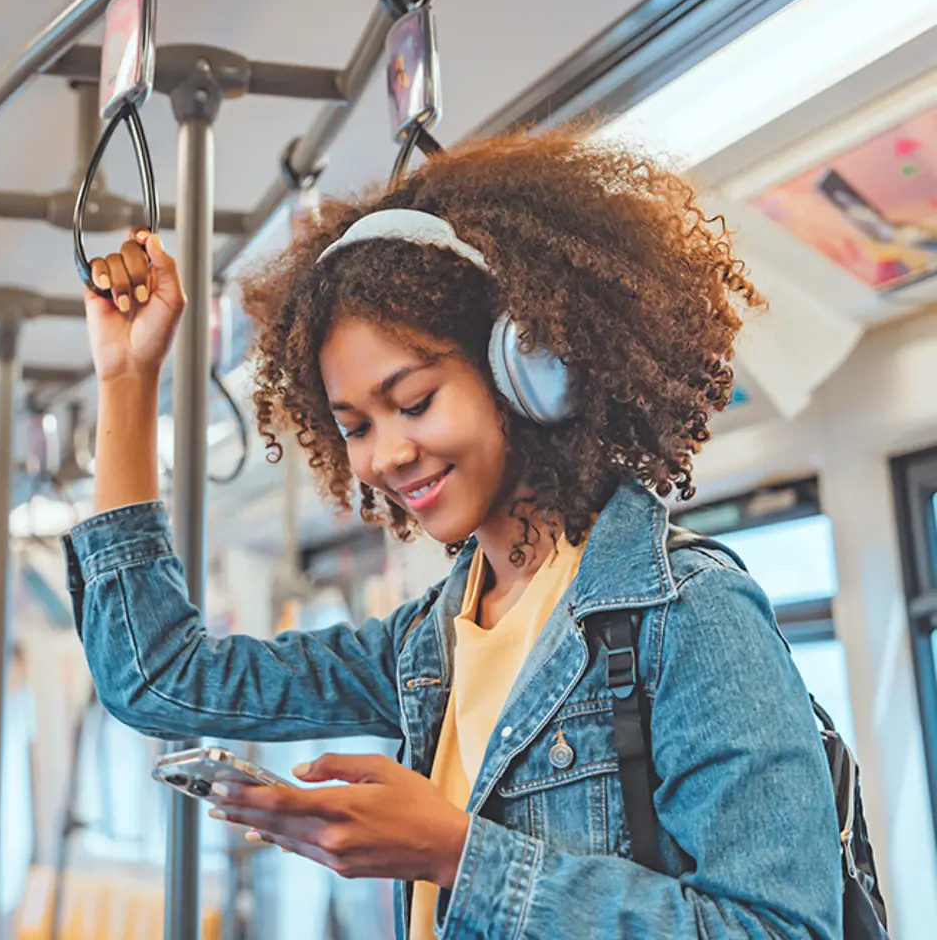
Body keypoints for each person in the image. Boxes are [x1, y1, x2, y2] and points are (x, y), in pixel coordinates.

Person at [63, 128, 842, 939]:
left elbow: (783, 929)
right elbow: (157, 678)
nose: (387, 454)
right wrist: (126, 382)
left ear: (527, 368)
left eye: (415, 400)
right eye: (355, 425)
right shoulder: (427, 646)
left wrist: (457, 855)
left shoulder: (688, 617)